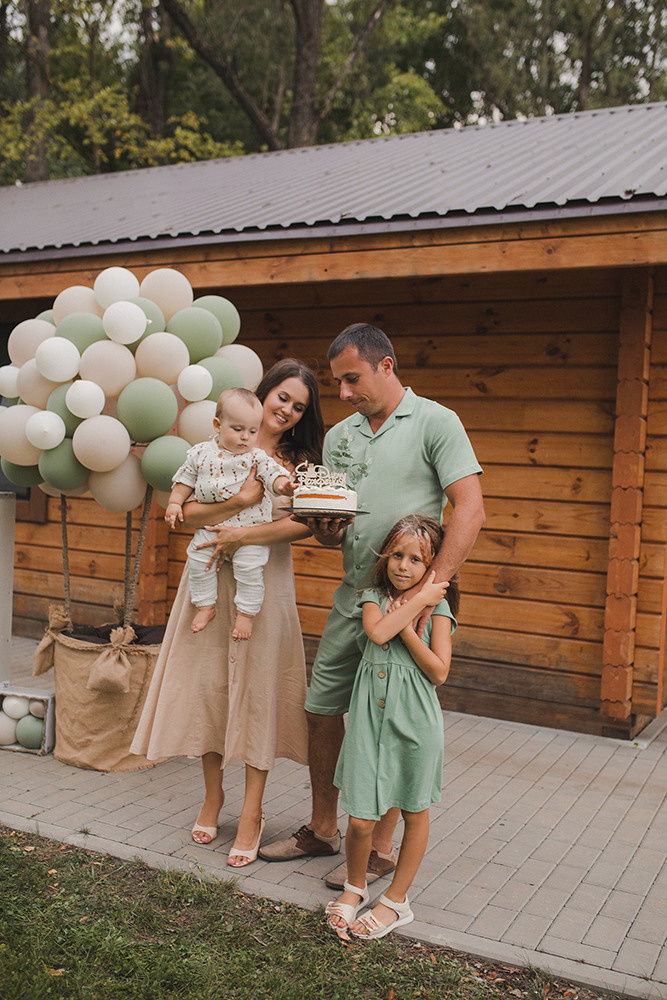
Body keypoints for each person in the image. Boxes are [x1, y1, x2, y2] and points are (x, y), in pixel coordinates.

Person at [255, 323, 485, 889]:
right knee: (321, 709)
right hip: (352, 601)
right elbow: (334, 531)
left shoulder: (437, 421)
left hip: (408, 606)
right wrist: (326, 528)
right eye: (337, 381)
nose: (342, 392)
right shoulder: (339, 437)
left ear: (387, 365)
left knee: (390, 720)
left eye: (351, 378)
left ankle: (380, 845)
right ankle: (325, 827)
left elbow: (470, 509)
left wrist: (429, 590)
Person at [130, 359, 323, 868]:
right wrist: (237, 504)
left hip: (266, 586)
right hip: (209, 578)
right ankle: (213, 797)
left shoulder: (298, 463)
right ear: (263, 395)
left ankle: (254, 811)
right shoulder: (215, 449)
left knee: (260, 692)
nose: (287, 409)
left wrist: (245, 532)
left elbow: (307, 527)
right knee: (211, 688)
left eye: (298, 406)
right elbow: (186, 513)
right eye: (282, 396)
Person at [326, 514, 458, 939]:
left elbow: (439, 672)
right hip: (369, 718)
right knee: (362, 817)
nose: (404, 565)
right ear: (385, 557)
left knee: (415, 810)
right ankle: (354, 887)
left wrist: (415, 620)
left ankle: (397, 902)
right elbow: (378, 632)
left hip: (416, 719)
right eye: (397, 555)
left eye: (416, 560)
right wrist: (416, 605)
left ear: (431, 565)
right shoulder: (371, 597)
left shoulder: (438, 606)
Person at [165, 387, 296, 639]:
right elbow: (184, 480)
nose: (246, 437)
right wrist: (174, 503)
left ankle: (246, 615)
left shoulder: (257, 457)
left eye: (253, 431)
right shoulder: (200, 453)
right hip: (210, 528)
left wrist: (283, 485)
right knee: (198, 561)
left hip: (250, 529)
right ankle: (206, 605)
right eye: (238, 429)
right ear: (217, 424)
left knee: (250, 570)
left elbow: (273, 476)